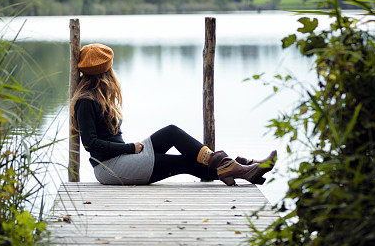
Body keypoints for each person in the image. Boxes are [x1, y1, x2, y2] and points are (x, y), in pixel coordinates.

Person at [70, 43, 276, 186]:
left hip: (120, 159)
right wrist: (130, 148)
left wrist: (129, 150)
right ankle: (236, 167)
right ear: (106, 71)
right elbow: (91, 144)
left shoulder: (97, 97)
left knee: (174, 138)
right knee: (179, 150)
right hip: (109, 169)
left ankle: (239, 168)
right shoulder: (86, 101)